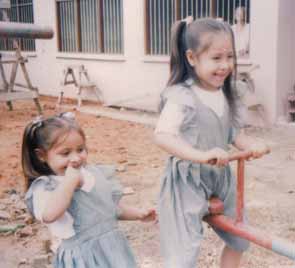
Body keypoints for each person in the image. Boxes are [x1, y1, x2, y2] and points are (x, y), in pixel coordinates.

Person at [154, 18, 269, 268]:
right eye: (216, 58)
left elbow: (233, 134)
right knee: (183, 256)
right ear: (192, 58)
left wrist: (250, 144)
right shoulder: (182, 96)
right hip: (187, 181)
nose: (225, 66)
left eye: (230, 57)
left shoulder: (228, 93)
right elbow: (163, 136)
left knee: (240, 238)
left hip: (221, 176)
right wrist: (200, 155)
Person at [22, 112, 156, 268]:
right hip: (83, 258)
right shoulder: (46, 186)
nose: (76, 158)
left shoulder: (93, 173)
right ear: (41, 155)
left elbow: (108, 207)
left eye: (80, 149)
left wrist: (138, 214)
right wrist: (69, 182)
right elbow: (49, 215)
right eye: (65, 153)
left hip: (113, 250)